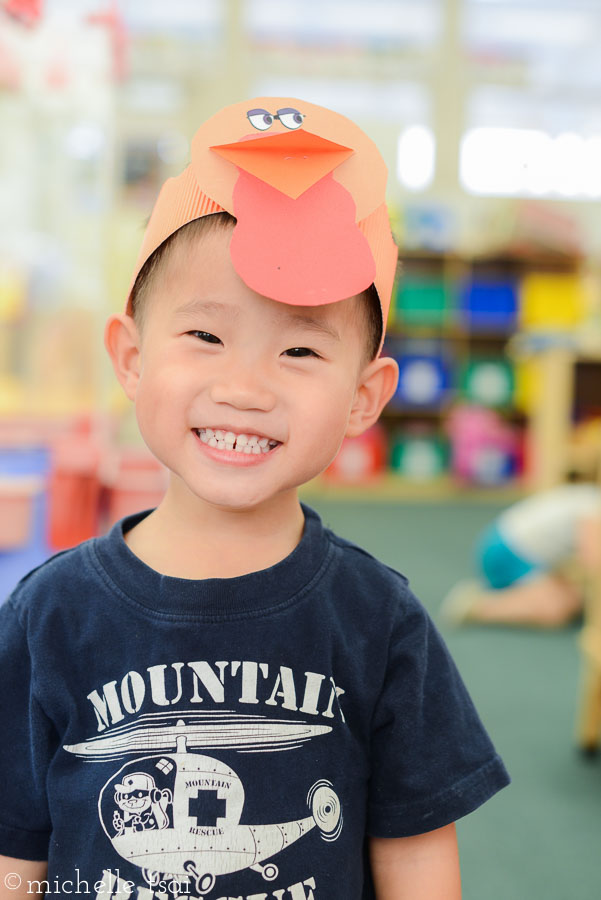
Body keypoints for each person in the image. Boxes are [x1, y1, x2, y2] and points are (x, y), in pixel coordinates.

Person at [0, 97, 509, 900]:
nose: (243, 388)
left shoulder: (379, 620)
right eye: (204, 335)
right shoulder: (48, 614)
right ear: (130, 357)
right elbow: (16, 858)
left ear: (363, 398)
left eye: (300, 347)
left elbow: (414, 855)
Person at [441, 483, 601, 628]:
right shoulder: (593, 510)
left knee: (577, 600)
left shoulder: (590, 497)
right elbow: (593, 564)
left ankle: (522, 593)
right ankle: (479, 606)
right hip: (507, 552)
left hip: (515, 545)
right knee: (559, 609)